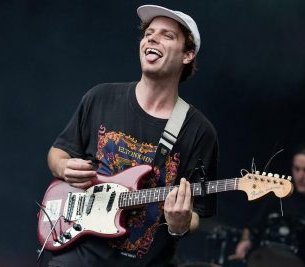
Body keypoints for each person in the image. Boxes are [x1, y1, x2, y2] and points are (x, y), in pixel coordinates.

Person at [44, 5, 219, 267]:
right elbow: (57, 152)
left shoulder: (199, 131)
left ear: (188, 54)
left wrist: (181, 224)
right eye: (148, 33)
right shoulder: (101, 97)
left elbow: (197, 212)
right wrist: (63, 166)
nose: (151, 38)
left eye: (167, 35)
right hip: (78, 256)